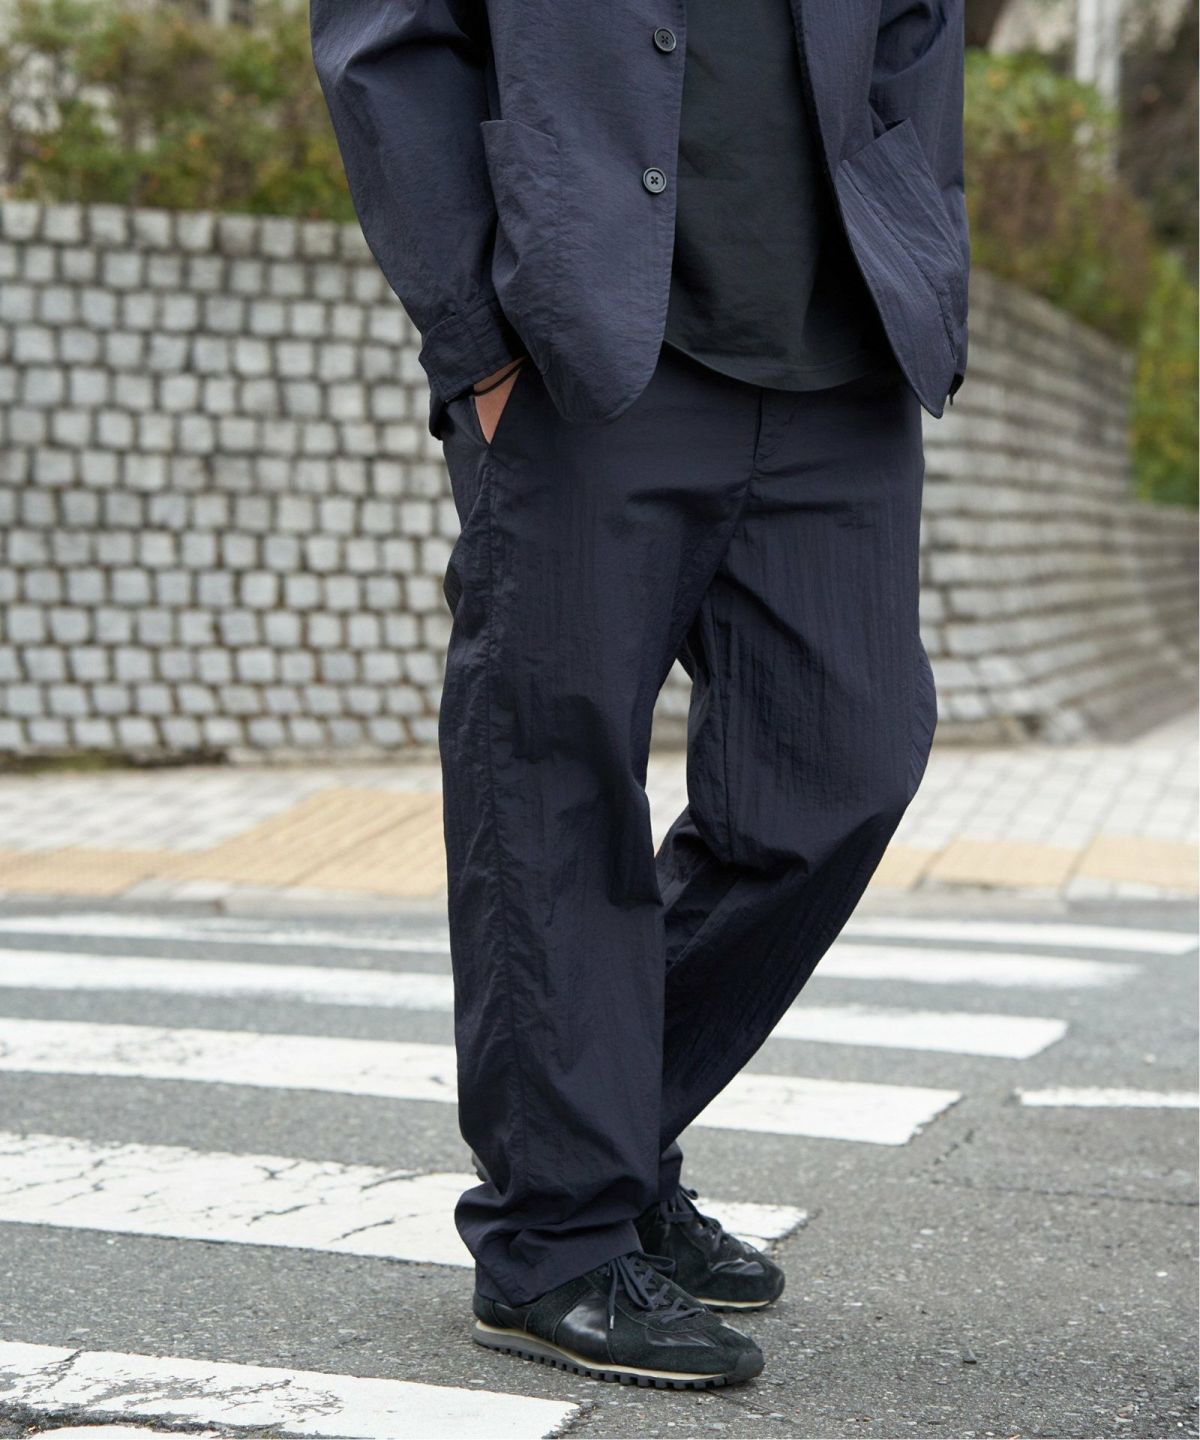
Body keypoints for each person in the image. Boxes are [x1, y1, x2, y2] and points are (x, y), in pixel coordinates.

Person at [312, 0, 968, 1390]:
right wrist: (476, 335)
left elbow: (917, 35)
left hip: (839, 348)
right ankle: (554, 1237)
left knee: (846, 767)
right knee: (552, 782)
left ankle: (599, 1143)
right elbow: (388, 42)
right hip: (580, 345)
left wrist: (922, 249)